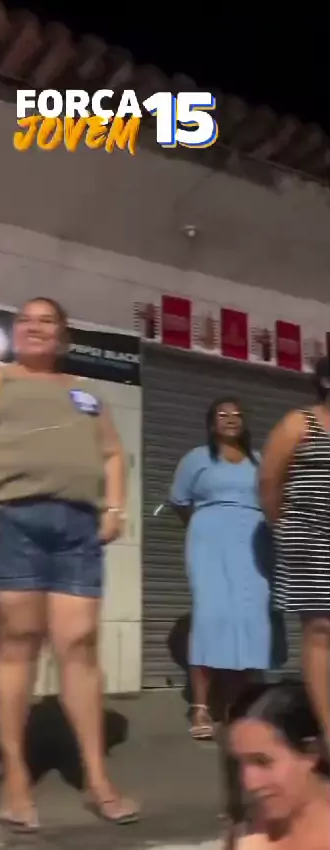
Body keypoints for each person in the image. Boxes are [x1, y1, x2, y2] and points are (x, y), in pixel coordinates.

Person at [0, 296, 138, 830]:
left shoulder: (87, 392)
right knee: (18, 644)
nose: (34, 327)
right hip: (12, 522)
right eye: (25, 320)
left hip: (77, 527)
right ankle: (15, 776)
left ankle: (97, 777)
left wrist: (115, 508)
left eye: (46, 321)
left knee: (80, 645)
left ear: (63, 336)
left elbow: (112, 453)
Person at [170, 397, 279, 741]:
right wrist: (206, 526)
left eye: (237, 414)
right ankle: (201, 707)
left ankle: (241, 706)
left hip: (254, 544)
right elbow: (179, 500)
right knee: (210, 617)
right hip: (210, 544)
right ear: (211, 423)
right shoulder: (197, 458)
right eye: (222, 414)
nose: (231, 419)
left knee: (251, 618)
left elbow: (273, 498)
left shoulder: (259, 461)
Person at [259, 357, 330, 746]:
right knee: (321, 629)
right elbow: (269, 479)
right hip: (311, 536)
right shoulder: (300, 423)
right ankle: (327, 727)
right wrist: (283, 526)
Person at [227, 680, 329, 849]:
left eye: (263, 762)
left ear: (311, 752)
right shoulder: (246, 836)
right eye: (239, 764)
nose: (249, 783)